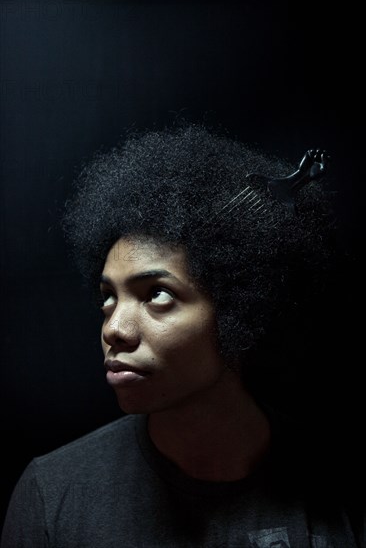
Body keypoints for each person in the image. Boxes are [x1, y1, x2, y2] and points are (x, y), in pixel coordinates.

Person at [1, 123, 363, 547]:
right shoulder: (54, 494)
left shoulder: (341, 485)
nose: (114, 329)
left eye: (157, 295)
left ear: (237, 310)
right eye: (108, 298)